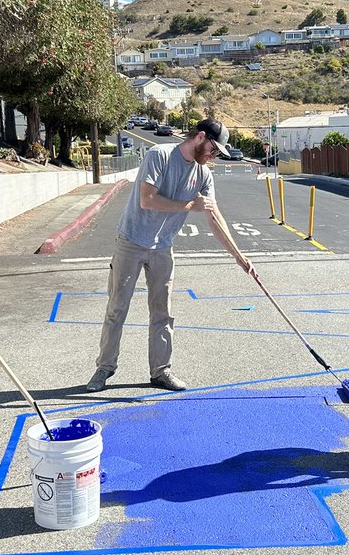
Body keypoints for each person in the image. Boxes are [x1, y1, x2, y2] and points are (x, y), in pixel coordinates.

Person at [87, 118, 257, 393]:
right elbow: (147, 200)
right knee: (117, 308)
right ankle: (104, 368)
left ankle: (161, 371)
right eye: (214, 150)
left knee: (163, 312)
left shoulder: (203, 175)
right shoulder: (160, 155)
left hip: (163, 247)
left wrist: (240, 258)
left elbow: (214, 216)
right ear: (200, 137)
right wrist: (191, 204)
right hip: (131, 240)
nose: (214, 157)